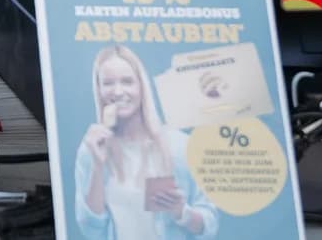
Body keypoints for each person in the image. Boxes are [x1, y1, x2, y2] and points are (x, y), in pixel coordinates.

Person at [74, 45, 220, 238]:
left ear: (141, 86)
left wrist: (181, 212)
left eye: (127, 81)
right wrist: (98, 165)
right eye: (108, 83)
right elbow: (90, 228)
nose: (118, 92)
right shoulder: (91, 148)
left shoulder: (181, 146)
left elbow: (210, 224)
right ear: (99, 90)